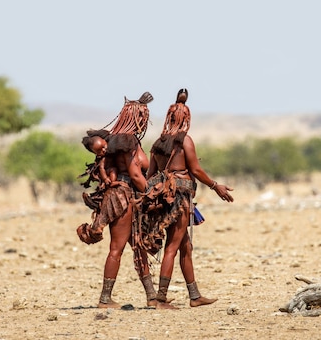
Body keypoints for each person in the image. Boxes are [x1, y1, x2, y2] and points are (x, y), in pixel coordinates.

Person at [141, 88, 234, 309]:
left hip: (164, 199)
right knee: (173, 247)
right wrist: (215, 186)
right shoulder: (185, 141)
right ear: (186, 118)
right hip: (180, 199)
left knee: (185, 247)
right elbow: (197, 170)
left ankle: (194, 296)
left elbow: (150, 175)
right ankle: (161, 299)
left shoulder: (157, 143)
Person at [77, 92, 157, 308]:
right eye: (141, 117)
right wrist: (151, 192)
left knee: (138, 245)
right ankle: (105, 299)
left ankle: (152, 297)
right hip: (122, 197)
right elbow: (136, 175)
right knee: (117, 248)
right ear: (133, 117)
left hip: (127, 196)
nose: (143, 121)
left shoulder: (118, 141)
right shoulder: (126, 142)